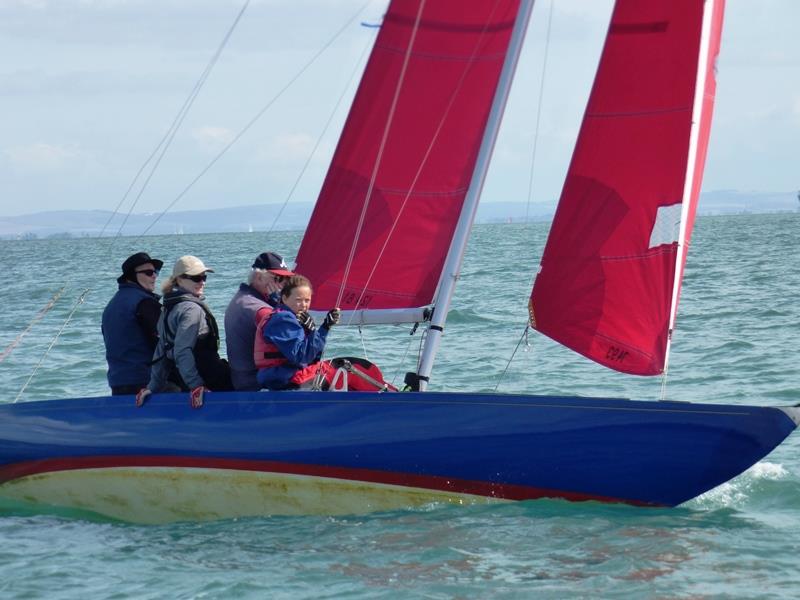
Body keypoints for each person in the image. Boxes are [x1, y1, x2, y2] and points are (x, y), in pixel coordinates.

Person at [136, 255, 232, 409]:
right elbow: (181, 350)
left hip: (189, 382)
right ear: (179, 280)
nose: (202, 282)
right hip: (210, 380)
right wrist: (196, 386)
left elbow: (163, 351)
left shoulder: (168, 308)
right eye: (196, 278)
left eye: (204, 277)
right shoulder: (191, 309)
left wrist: (152, 387)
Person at [255, 275, 341, 390]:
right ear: (284, 298)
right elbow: (301, 356)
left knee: (340, 368)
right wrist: (318, 330)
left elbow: (313, 357)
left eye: (307, 300)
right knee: (343, 367)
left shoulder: (296, 318)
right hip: (280, 378)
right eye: (298, 300)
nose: (304, 305)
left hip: (286, 376)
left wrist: (319, 329)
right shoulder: (283, 319)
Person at [224, 251, 294, 391]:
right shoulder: (260, 309)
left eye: (285, 280)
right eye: (278, 279)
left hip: (243, 379)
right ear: (258, 277)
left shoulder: (243, 298)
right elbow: (293, 346)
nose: (283, 285)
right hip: (257, 384)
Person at [102, 252, 163, 395]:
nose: (154, 276)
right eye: (148, 272)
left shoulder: (111, 306)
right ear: (131, 276)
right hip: (146, 383)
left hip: (117, 383)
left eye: (156, 272)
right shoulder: (144, 303)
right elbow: (163, 345)